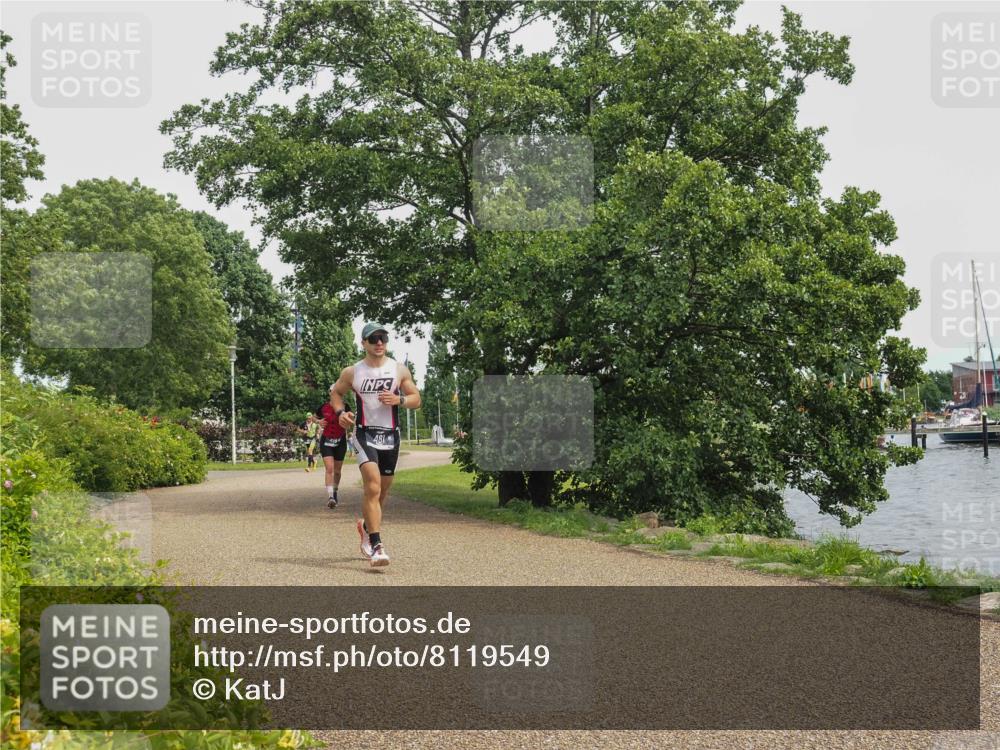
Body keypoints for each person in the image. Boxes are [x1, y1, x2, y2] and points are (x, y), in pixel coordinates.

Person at [330, 322, 421, 567]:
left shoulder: (398, 370)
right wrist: (341, 413)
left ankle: (366, 527)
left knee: (382, 491)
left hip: (391, 435)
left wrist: (398, 399)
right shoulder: (353, 372)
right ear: (364, 344)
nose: (379, 342)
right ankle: (377, 545)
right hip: (365, 433)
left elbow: (416, 399)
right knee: (372, 486)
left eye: (382, 338)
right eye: (373, 339)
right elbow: (335, 393)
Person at [314, 385, 348, 508]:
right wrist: (319, 422)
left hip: (340, 441)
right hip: (326, 440)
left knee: (337, 471)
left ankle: (335, 491)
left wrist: (349, 421)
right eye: (332, 391)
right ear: (330, 393)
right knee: (329, 468)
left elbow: (352, 418)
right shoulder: (323, 407)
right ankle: (330, 497)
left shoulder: (345, 406)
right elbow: (314, 417)